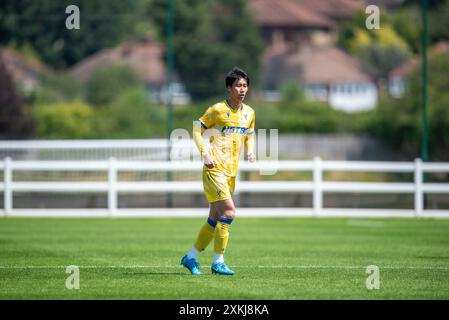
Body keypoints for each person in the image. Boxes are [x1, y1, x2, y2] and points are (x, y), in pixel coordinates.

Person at [180, 67, 256, 275]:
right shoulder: (217, 110)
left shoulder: (249, 113)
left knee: (214, 219)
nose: (242, 89)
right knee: (229, 212)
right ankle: (218, 262)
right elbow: (197, 128)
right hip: (214, 170)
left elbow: (248, 134)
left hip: (231, 172)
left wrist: (250, 151)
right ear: (229, 88)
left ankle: (191, 257)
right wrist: (205, 152)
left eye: (245, 85)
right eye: (238, 85)